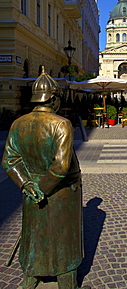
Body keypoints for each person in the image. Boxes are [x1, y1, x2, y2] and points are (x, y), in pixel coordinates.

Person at [2, 67, 89, 289]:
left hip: (31, 191)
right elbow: (60, 166)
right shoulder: (61, 124)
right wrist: (42, 188)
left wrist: (28, 185)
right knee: (64, 240)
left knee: (34, 235)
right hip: (61, 191)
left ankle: (30, 281)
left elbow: (9, 161)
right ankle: (66, 285)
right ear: (53, 98)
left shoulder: (18, 123)